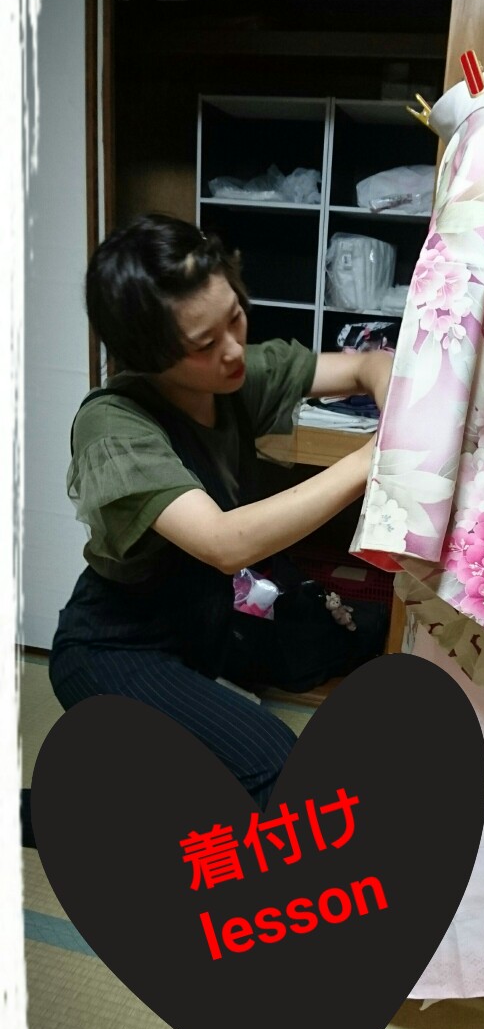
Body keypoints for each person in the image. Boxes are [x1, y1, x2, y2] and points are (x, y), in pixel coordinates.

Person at [46, 213, 392, 809]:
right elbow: (224, 544)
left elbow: (368, 366)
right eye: (203, 345)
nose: (233, 350)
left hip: (198, 636)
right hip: (113, 651)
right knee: (281, 771)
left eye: (235, 316)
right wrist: (378, 458)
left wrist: (399, 406)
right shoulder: (114, 426)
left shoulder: (227, 376)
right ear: (149, 355)